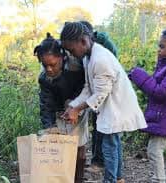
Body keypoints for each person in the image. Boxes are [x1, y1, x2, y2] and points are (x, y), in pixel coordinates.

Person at [60, 21, 147, 183]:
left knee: (109, 147)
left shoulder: (100, 59)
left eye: (71, 50)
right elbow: (88, 89)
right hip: (111, 106)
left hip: (117, 106)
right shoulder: (88, 57)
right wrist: (73, 106)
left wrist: (77, 109)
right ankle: (118, 178)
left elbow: (100, 94)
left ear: (84, 41)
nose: (71, 54)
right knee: (113, 144)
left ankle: (110, 180)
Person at [128, 26, 166, 183]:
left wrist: (139, 75)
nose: (158, 50)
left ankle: (159, 179)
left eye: (162, 46)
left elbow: (161, 93)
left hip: (165, 117)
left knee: (155, 150)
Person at [34, 33, 89, 183]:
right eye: (45, 65)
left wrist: (74, 105)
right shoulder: (44, 78)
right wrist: (49, 126)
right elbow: (46, 104)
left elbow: (86, 88)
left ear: (62, 57)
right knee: (60, 148)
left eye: (53, 64)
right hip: (60, 111)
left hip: (79, 106)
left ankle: (78, 178)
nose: (49, 69)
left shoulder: (76, 67)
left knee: (78, 148)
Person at [79, 20, 119, 170]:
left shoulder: (104, 47)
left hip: (107, 91)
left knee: (107, 132)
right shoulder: (87, 51)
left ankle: (103, 165)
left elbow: (108, 74)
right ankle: (101, 162)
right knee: (97, 126)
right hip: (95, 89)